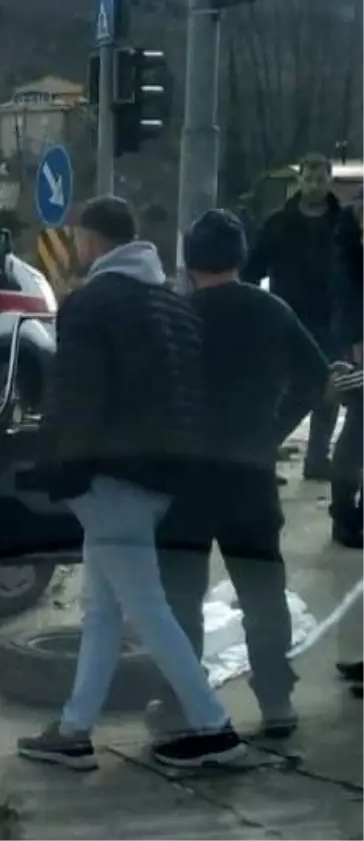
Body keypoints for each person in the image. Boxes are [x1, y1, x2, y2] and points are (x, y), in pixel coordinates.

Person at [17, 197, 246, 772]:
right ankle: (74, 730)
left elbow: (75, 395)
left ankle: (212, 726)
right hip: (158, 478)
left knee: (144, 609)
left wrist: (60, 469)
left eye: (80, 238)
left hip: (109, 477)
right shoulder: (171, 303)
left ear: (94, 240)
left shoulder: (90, 304)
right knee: (103, 611)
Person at [149, 209, 328, 741]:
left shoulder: (175, 315)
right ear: (241, 257)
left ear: (190, 260)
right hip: (250, 472)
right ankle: (276, 701)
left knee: (180, 594)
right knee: (262, 590)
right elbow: (317, 379)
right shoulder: (271, 310)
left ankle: (183, 703)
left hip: (187, 479)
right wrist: (275, 429)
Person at [242, 153, 344, 480]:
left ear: (330, 180)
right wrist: (251, 306)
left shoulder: (343, 223)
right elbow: (254, 267)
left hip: (331, 318)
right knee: (289, 390)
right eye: (309, 178)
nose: (315, 185)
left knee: (329, 388)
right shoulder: (279, 223)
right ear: (299, 180)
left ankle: (317, 458)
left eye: (321, 178)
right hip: (286, 317)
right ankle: (261, 453)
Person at [330, 188, 364, 546]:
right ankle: (344, 515)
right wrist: (357, 338)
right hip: (360, 336)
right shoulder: (356, 215)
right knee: (358, 425)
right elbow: (348, 283)